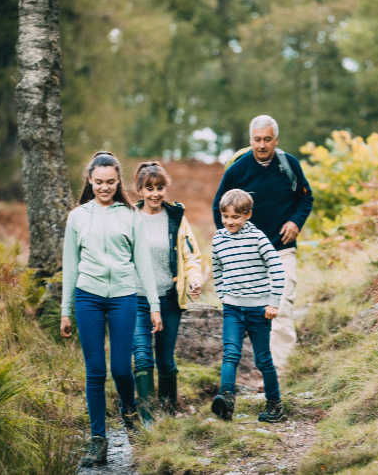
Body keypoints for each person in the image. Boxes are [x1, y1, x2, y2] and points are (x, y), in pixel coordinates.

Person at [60, 151, 161, 468]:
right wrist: (65, 310)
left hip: (123, 296)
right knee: (95, 372)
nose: (104, 187)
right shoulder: (78, 217)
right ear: (90, 180)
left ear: (118, 183)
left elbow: (143, 264)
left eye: (111, 182)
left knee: (120, 368)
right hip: (87, 297)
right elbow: (70, 266)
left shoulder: (130, 216)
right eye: (99, 182)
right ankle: (98, 441)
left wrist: (155, 306)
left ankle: (129, 412)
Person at [212, 115, 313, 372]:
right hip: (249, 253)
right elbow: (218, 207)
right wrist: (229, 243)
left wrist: (295, 222)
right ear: (250, 140)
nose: (262, 145)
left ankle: (282, 374)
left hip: (282, 249)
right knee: (254, 311)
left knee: (281, 305)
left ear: (276, 140)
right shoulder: (238, 169)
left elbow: (306, 198)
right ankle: (259, 369)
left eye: (267, 139)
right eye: (257, 139)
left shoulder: (288, 164)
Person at [131, 161, 203, 424]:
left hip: (168, 299)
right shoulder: (129, 218)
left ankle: (170, 412)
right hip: (136, 299)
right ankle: (149, 421)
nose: (155, 194)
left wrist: (194, 279)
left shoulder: (176, 218)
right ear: (139, 190)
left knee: (165, 360)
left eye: (159, 187)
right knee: (141, 357)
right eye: (148, 188)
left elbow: (191, 255)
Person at [210, 189, 286, 422]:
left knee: (262, 359)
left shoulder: (258, 238)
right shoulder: (218, 240)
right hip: (232, 308)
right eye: (225, 217)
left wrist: (273, 302)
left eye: (235, 217)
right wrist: (223, 294)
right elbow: (217, 269)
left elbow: (277, 268)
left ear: (247, 215)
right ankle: (226, 399)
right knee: (230, 354)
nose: (229, 222)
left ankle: (275, 404)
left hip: (258, 309)